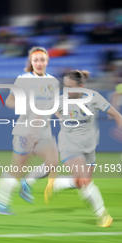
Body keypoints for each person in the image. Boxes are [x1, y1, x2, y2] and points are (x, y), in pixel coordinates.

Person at [44, 70, 122, 227]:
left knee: (82, 183)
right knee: (85, 181)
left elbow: (116, 115)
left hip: (89, 146)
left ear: (81, 87)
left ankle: (58, 183)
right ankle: (102, 215)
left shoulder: (92, 98)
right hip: (69, 145)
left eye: (71, 88)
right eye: (65, 87)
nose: (67, 91)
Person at [0, 46, 59, 213]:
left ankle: (27, 182)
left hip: (44, 132)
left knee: (53, 162)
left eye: (42, 60)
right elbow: (9, 101)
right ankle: (0, 201)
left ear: (47, 61)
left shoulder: (54, 82)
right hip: (26, 130)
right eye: (35, 60)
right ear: (31, 62)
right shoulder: (23, 79)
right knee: (17, 168)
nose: (39, 63)